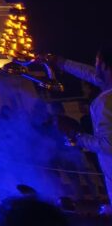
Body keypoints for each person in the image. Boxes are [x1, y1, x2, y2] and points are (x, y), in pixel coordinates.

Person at [42, 45, 112, 215]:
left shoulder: (106, 101)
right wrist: (61, 62)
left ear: (103, 65)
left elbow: (108, 145)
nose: (94, 67)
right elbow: (90, 74)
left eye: (96, 62)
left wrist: (76, 135)